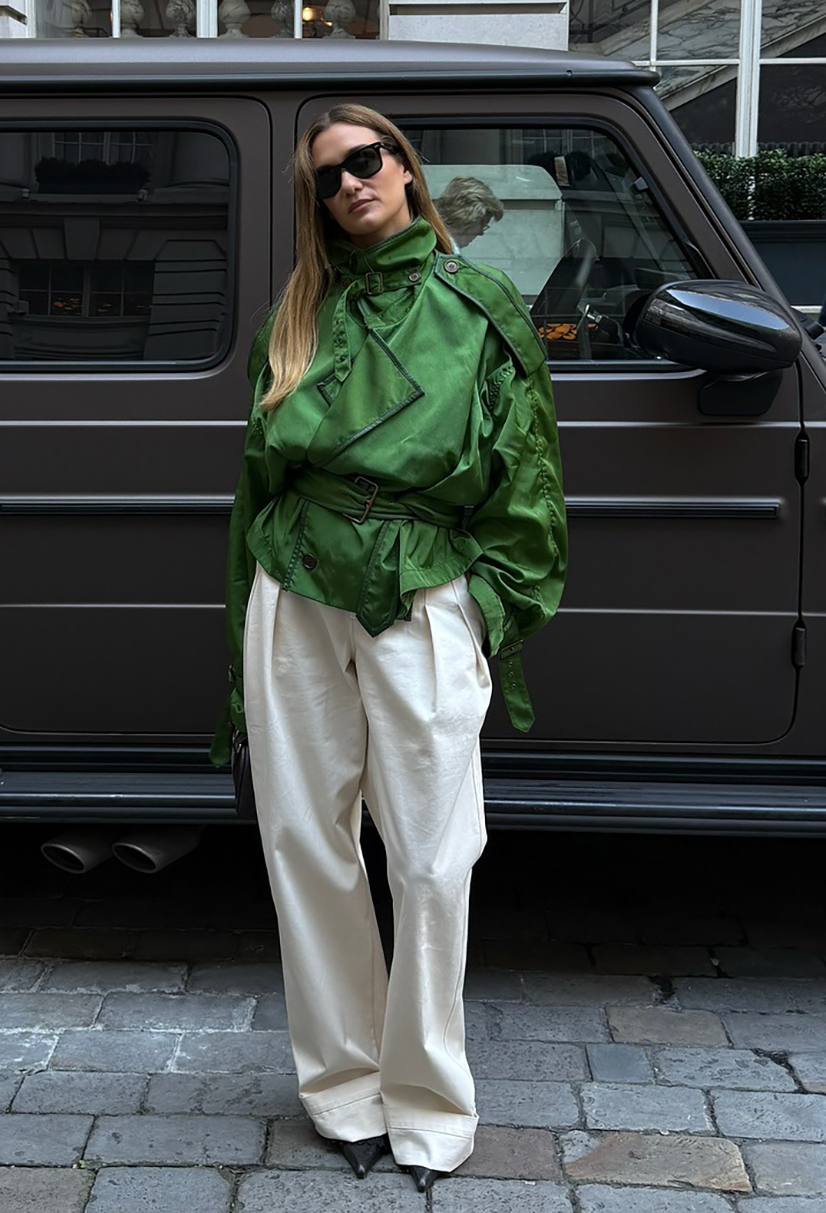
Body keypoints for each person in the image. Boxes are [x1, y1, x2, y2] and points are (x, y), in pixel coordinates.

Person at [211, 104, 567, 1193]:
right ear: (317, 205)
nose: (350, 182)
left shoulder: (480, 303)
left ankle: (427, 1102)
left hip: (422, 584)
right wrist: (243, 637)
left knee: (427, 853)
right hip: (294, 581)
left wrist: (485, 612)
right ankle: (342, 1089)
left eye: (367, 160)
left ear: (407, 171)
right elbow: (254, 487)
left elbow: (526, 473)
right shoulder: (297, 314)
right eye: (327, 176)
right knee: (305, 840)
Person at [432, 175, 504, 250]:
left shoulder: (435, 241)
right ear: (468, 216)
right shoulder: (438, 251)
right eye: (483, 224)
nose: (481, 233)